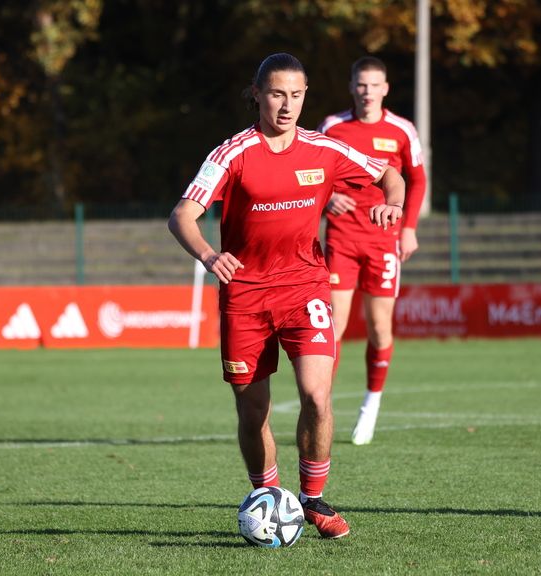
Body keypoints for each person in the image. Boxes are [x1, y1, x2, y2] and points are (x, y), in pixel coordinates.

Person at [168, 53, 405, 539]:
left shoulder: (325, 149)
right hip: (246, 297)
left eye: (296, 96)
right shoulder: (231, 154)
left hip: (306, 287)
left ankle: (313, 500)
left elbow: (390, 175)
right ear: (257, 94)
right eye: (277, 94)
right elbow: (181, 216)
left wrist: (393, 205)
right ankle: (268, 496)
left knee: (317, 397)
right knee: (252, 411)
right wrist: (212, 258)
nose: (287, 105)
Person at [317, 56, 427, 446]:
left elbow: (416, 179)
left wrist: (408, 228)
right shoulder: (332, 127)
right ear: (352, 87)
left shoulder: (401, 130)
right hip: (341, 241)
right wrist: (327, 199)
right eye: (360, 84)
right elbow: (313, 174)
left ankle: (371, 405)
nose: (367, 92)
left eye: (374, 85)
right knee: (332, 329)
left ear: (385, 89)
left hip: (383, 241)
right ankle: (321, 408)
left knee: (380, 328)